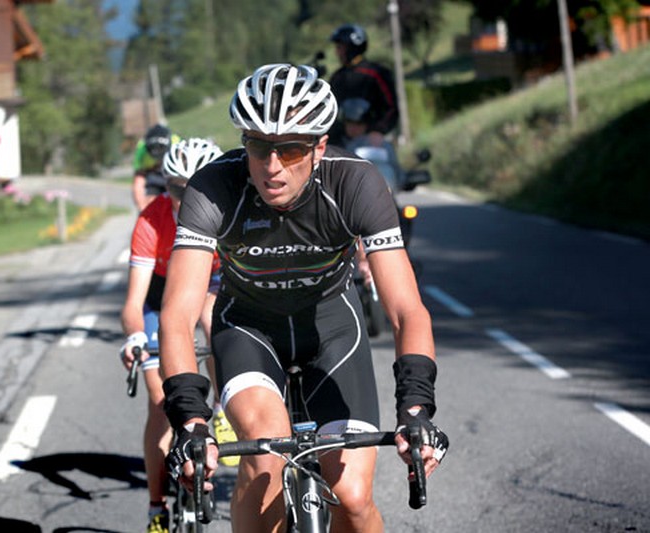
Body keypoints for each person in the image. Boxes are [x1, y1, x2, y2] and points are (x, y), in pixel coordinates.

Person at [159, 64, 448, 532]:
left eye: (290, 149)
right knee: (266, 456)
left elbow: (405, 309)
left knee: (352, 498)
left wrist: (415, 408)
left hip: (333, 330)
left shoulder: (355, 182)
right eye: (258, 146)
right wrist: (190, 420)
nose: (272, 166)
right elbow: (177, 316)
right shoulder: (213, 188)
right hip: (249, 330)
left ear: (317, 146)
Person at [120, 137, 235, 533]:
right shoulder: (152, 219)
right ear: (164, 186)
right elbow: (134, 303)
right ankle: (157, 507)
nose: (187, 198)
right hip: (162, 293)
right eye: (176, 189)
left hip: (213, 284)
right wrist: (135, 337)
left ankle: (222, 412)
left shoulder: (230, 211)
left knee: (212, 317)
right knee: (159, 401)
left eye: (198, 187)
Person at [328, 23, 399, 147]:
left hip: (372, 142)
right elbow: (330, 111)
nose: (337, 52)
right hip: (342, 143)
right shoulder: (337, 77)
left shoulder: (376, 73)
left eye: (340, 47)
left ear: (351, 48)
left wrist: (378, 130)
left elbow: (391, 108)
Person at [131, 124, 180, 212]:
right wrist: (144, 211)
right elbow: (138, 182)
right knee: (151, 203)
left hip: (174, 175)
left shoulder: (177, 144)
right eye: (155, 158)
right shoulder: (142, 150)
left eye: (161, 158)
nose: (159, 161)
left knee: (177, 202)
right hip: (154, 177)